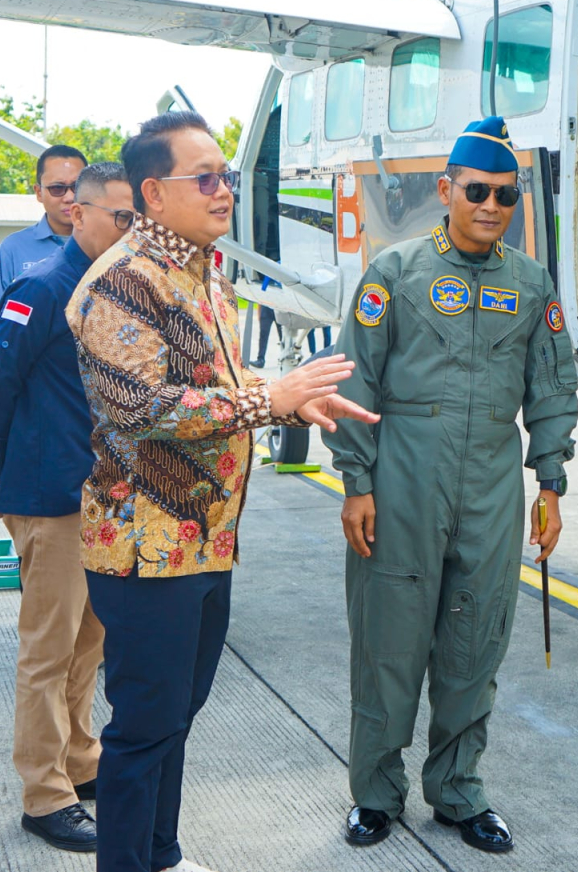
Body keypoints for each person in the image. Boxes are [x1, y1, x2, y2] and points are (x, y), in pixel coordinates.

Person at [66, 111, 378, 872]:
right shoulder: (122, 283)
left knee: (176, 717)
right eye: (204, 178)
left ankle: (162, 855)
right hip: (143, 548)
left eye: (226, 176)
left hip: (205, 540)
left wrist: (289, 399)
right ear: (152, 193)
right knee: (143, 729)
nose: (224, 190)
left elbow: (217, 384)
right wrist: (268, 401)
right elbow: (143, 410)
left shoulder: (204, 273)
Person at [326, 115, 578, 853]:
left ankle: (459, 789)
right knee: (389, 641)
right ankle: (376, 793)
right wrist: (356, 481)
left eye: (506, 196)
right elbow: (355, 381)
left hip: (492, 487)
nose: (492, 206)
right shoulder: (396, 273)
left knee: (476, 639)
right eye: (477, 191)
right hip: (404, 479)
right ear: (446, 191)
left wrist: (551, 482)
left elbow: (552, 388)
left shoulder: (531, 284)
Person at [0, 163, 134, 852]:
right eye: (120, 218)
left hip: (101, 497)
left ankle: (79, 760)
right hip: (51, 495)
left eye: (136, 219)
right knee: (48, 649)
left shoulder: (113, 288)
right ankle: (44, 794)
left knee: (88, 643)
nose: (130, 230)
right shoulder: (41, 288)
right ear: (79, 214)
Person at [0, 145, 88, 365]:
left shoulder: (108, 245)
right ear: (38, 192)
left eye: (77, 187)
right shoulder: (14, 248)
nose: (69, 197)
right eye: (57, 188)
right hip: (31, 376)